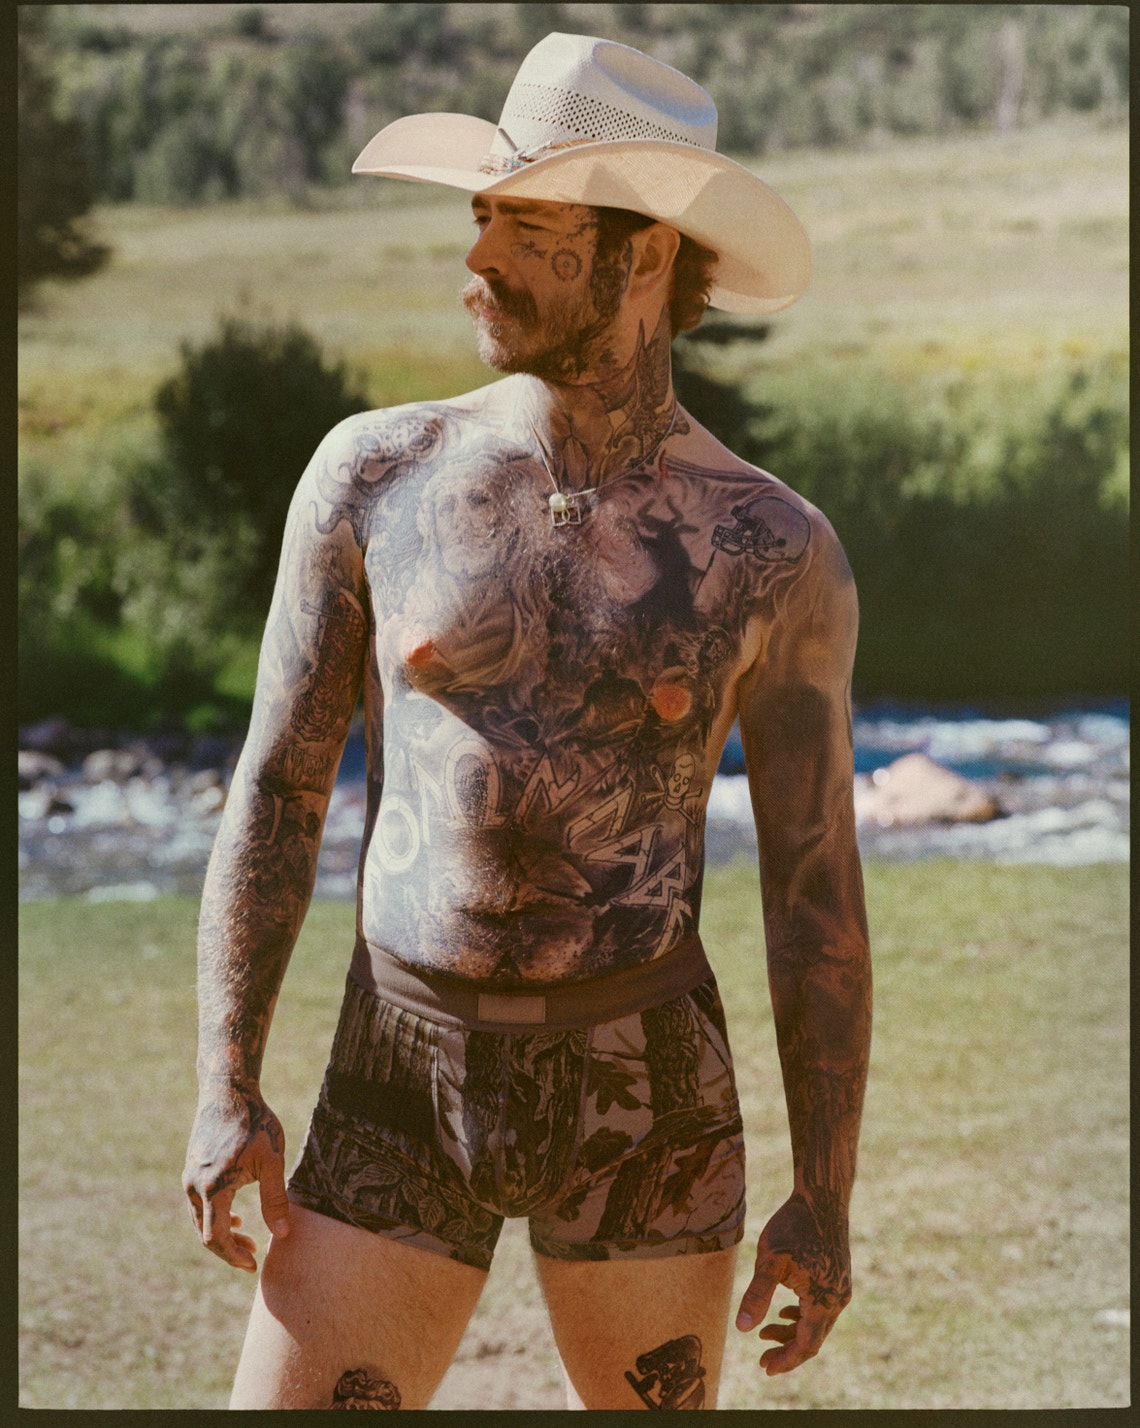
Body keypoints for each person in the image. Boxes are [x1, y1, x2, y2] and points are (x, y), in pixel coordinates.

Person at [183, 32, 871, 1411]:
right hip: (401, 1063)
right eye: (481, 215)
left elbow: (814, 890)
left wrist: (827, 1192)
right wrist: (227, 1079)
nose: (477, 259)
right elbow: (277, 791)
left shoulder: (773, 549)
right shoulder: (375, 476)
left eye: (528, 228)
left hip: (647, 1087)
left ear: (647, 256)